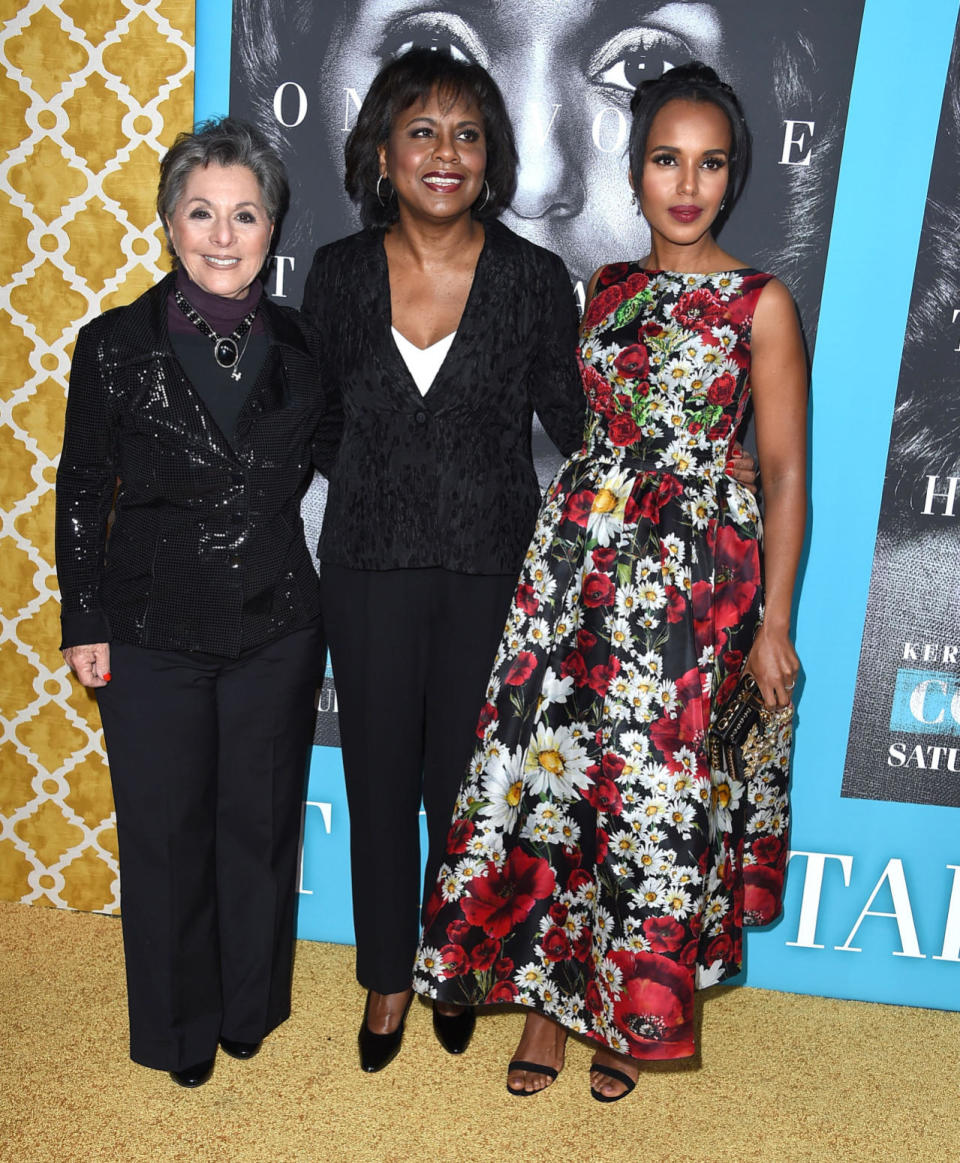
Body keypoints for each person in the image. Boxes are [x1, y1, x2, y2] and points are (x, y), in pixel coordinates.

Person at [414, 62, 806, 1102]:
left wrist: (773, 623)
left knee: (653, 809)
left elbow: (784, 472)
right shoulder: (608, 290)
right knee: (559, 794)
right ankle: (548, 1007)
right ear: (634, 173)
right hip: (576, 574)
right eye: (666, 159)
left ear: (735, 175)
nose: (688, 183)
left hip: (690, 591)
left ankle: (632, 1009)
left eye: (710, 162)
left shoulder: (760, 305)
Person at [299, 47, 587, 1073]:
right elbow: (315, 421)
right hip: (369, 564)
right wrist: (395, 474)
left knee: (468, 789)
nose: (445, 152)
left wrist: (681, 451)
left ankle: (455, 965)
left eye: (467, 133)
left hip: (491, 571)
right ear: (383, 150)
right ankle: (386, 977)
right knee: (376, 776)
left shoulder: (534, 278)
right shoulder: (334, 275)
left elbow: (577, 419)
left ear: (492, 157)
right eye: (421, 130)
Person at [55, 118, 335, 1088]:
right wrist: (82, 618)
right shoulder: (112, 346)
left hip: (275, 627)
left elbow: (353, 465)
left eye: (244, 214)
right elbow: (84, 487)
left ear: (272, 227)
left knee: (258, 829)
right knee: (168, 838)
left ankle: (248, 1009)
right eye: (201, 213)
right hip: (149, 627)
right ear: (170, 223)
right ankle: (180, 1032)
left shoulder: (307, 346)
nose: (223, 235)